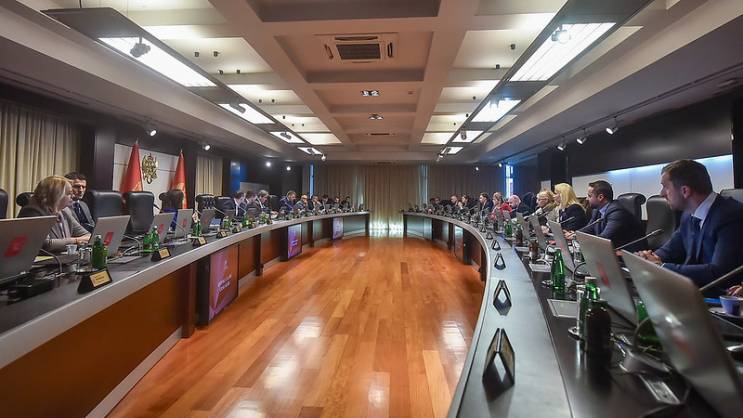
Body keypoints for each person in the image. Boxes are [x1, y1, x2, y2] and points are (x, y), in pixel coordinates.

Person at [636, 160, 743, 289]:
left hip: (722, 296)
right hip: (692, 290)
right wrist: (647, 259)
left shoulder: (731, 215)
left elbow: (719, 273)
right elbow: (670, 250)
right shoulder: (688, 215)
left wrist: (661, 267)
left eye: (665, 187)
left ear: (685, 191)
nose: (661, 193)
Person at [18, 175, 90, 252]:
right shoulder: (32, 212)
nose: (72, 196)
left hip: (63, 257)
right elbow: (45, 244)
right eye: (69, 193)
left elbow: (86, 235)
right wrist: (76, 240)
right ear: (56, 195)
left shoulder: (65, 211)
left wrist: (78, 240)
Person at [572, 180, 643, 250]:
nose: (587, 199)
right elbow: (589, 228)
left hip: (629, 253)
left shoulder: (617, 212)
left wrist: (579, 238)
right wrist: (575, 234)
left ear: (600, 197)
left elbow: (604, 238)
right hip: (610, 250)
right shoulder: (597, 211)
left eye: (589, 196)